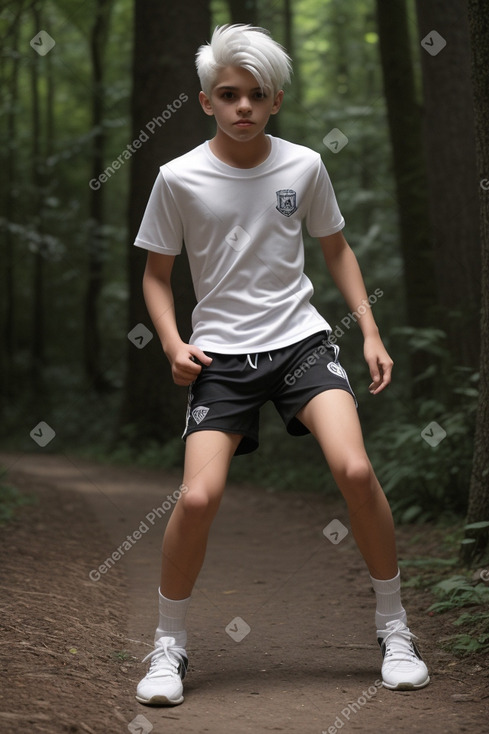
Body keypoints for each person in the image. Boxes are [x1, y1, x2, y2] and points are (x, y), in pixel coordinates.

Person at [133, 24, 430, 706]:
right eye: (227, 94)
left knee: (354, 468)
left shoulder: (302, 166)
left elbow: (336, 251)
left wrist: (371, 333)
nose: (242, 106)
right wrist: (175, 344)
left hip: (302, 344)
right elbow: (156, 275)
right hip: (221, 357)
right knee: (199, 496)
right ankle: (168, 646)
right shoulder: (176, 178)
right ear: (205, 101)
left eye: (256, 95)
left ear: (275, 102)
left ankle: (394, 629)